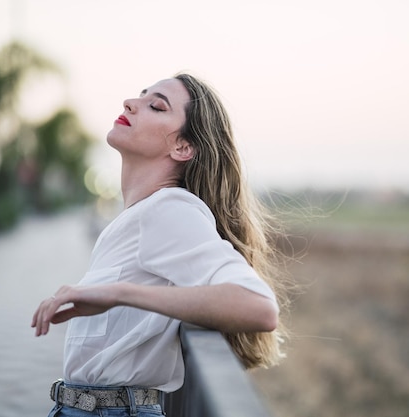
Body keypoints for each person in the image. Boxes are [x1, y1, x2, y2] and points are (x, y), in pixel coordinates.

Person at [31, 73, 289, 417]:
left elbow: (259, 307)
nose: (130, 103)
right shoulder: (139, 216)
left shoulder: (169, 210)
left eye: (156, 106)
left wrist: (118, 293)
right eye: (141, 95)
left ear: (182, 147)